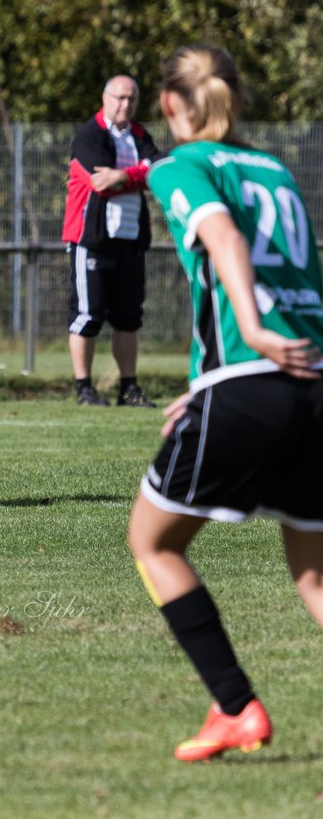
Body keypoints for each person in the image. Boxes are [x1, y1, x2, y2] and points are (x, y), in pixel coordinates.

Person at [129, 45, 323, 762]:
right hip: (312, 380)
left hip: (256, 375)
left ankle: (236, 707)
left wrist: (248, 333)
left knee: (153, 543)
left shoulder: (182, 165)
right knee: (314, 572)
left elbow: (223, 238)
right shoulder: (275, 170)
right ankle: (232, 708)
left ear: (173, 106)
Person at [62, 74, 161, 407]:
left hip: (130, 239)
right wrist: (136, 174)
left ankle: (128, 387)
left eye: (131, 98)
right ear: (105, 98)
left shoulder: (139, 135)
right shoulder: (89, 135)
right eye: (120, 98)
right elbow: (99, 181)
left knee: (128, 317)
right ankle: (84, 387)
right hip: (92, 240)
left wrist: (124, 175)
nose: (125, 104)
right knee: (89, 315)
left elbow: (157, 169)